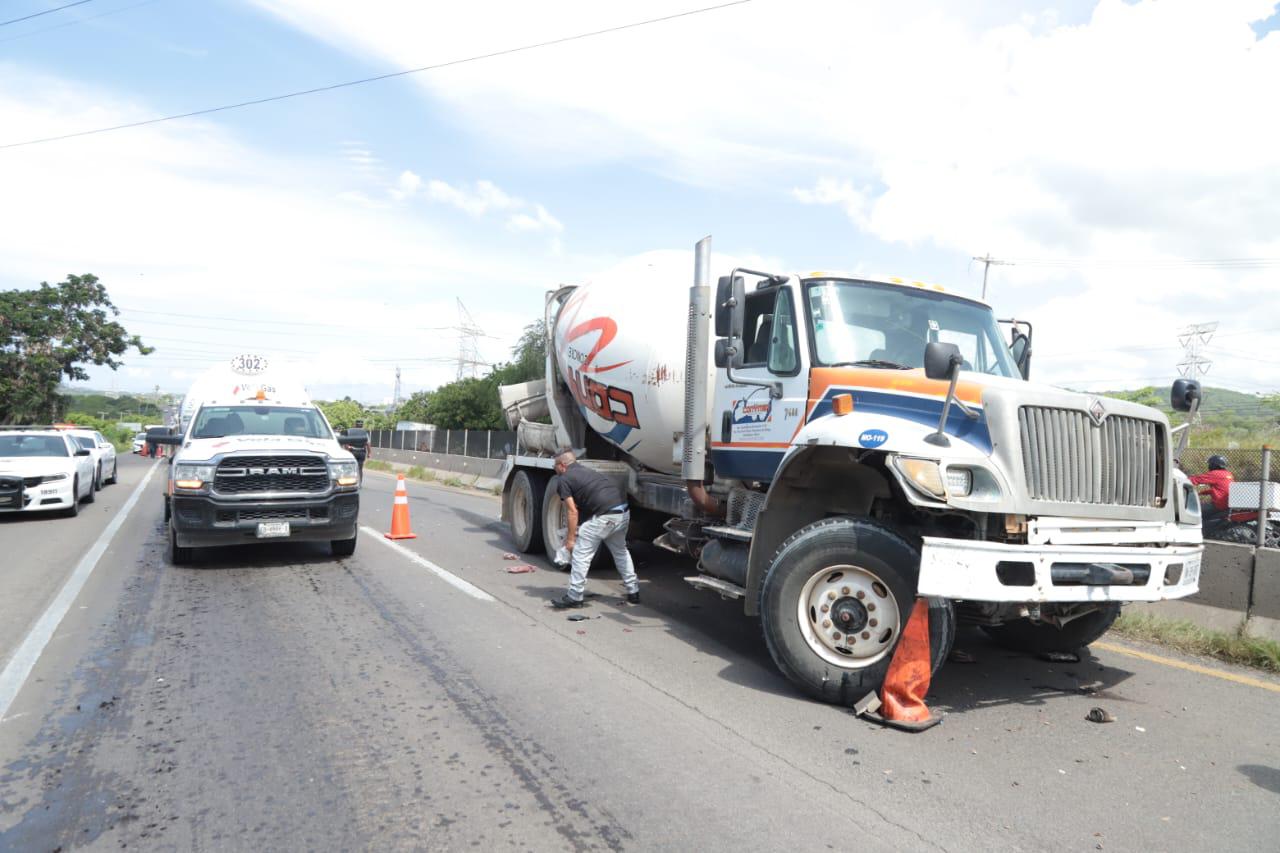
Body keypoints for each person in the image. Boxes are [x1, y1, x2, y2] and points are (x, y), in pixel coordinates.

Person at [549, 449, 640, 608]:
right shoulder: (586, 471)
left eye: (554, 465)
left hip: (605, 517)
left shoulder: (564, 479)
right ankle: (633, 591)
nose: (554, 469)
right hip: (623, 512)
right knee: (620, 551)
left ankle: (575, 596)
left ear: (562, 465)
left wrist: (570, 540)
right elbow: (588, 501)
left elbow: (572, 511)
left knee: (580, 554)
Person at [1189, 454, 1234, 524]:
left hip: (1219, 505)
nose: (1209, 466)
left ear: (1214, 465)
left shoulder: (1215, 474)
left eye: (1210, 464)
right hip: (1227, 503)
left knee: (1192, 510)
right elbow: (1221, 489)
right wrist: (1202, 492)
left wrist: (1182, 479)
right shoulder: (1228, 474)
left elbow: (1196, 479)